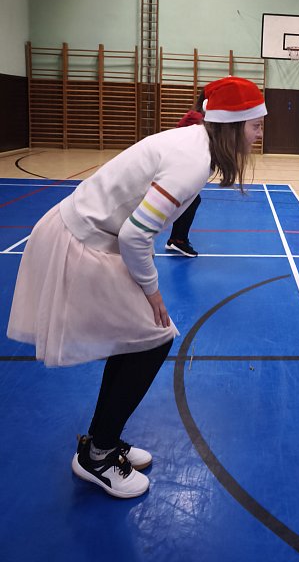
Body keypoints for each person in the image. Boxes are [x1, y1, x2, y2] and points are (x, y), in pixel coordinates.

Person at [7, 76, 266, 499]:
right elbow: (135, 235)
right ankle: (99, 454)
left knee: (139, 340)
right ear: (234, 125)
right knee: (152, 339)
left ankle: (100, 442)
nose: (259, 134)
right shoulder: (192, 161)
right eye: (255, 125)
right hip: (83, 240)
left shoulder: (196, 143)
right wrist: (152, 290)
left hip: (89, 235)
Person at [165, 107, 205, 257]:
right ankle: (179, 240)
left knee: (189, 200)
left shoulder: (196, 116)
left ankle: (174, 239)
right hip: (177, 162)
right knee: (192, 199)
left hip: (180, 160)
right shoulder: (196, 117)